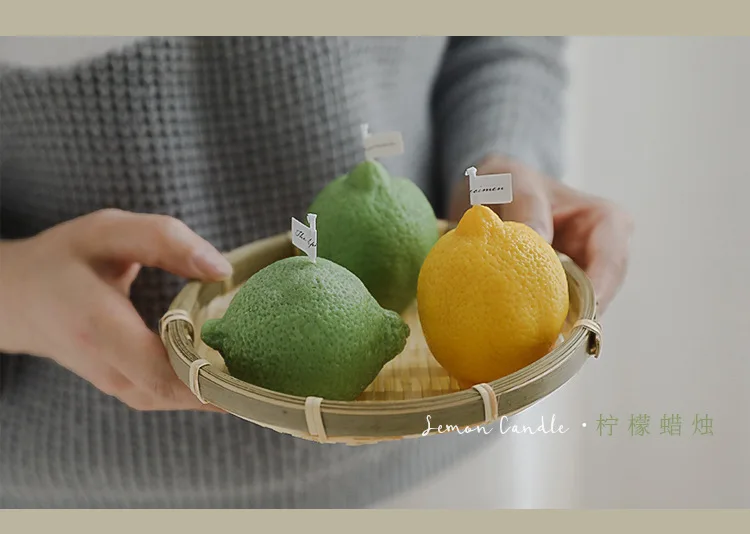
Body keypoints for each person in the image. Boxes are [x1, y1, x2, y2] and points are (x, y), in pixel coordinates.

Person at [0, 36, 632, 508]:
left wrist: (502, 161)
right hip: (91, 491)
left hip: (450, 453)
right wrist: (16, 289)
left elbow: (503, 35)